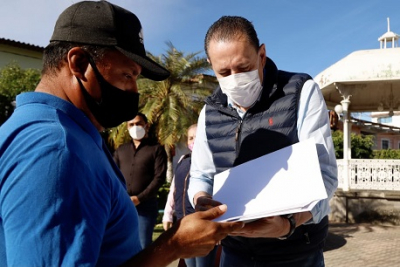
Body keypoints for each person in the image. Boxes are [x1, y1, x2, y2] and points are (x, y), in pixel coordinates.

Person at [0, 2, 244, 266]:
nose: (133, 91)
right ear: (79, 63)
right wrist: (172, 247)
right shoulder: (57, 150)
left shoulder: (55, 131)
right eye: (127, 75)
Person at [187, 16, 338, 267]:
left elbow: (325, 177)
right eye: (223, 72)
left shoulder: (301, 92)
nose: (235, 78)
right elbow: (202, 174)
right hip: (234, 253)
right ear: (210, 66)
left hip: (296, 253)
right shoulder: (209, 113)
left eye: (244, 67)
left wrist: (288, 224)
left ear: (262, 54)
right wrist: (201, 199)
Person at [163, 124, 218, 267]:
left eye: (197, 137)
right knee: (188, 263)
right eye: (190, 138)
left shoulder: (211, 163)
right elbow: (173, 190)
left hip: (202, 223)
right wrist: (168, 214)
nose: (194, 141)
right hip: (184, 223)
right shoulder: (183, 160)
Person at [113, 112, 167, 249]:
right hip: (123, 206)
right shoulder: (121, 150)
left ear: (146, 126)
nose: (135, 127)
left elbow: (159, 178)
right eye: (131, 124)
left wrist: (139, 198)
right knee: (122, 246)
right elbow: (113, 175)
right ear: (127, 127)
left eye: (138, 124)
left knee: (143, 246)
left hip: (146, 206)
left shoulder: (156, 150)